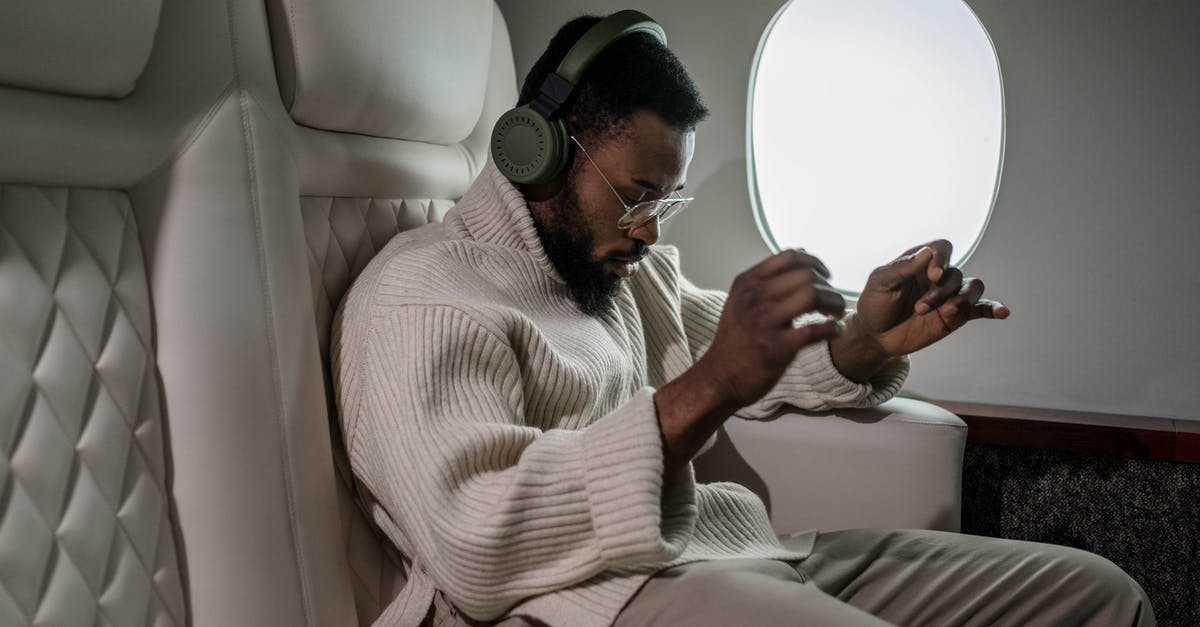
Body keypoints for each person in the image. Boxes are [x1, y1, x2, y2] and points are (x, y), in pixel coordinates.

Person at [333, 11, 1154, 626]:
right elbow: (477, 545)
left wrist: (864, 341)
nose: (650, 227)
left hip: (739, 551)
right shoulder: (423, 299)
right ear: (535, 151)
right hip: (584, 603)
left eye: (666, 196)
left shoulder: (612, 267)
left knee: (1098, 598)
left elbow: (719, 343)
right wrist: (711, 385)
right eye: (635, 193)